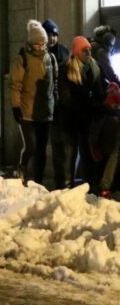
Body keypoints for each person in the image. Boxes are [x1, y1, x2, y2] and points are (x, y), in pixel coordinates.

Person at [9, 20, 57, 186]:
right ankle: (21, 170)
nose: (41, 47)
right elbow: (15, 85)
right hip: (27, 111)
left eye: (43, 43)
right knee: (31, 146)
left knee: (42, 149)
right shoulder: (22, 58)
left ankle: (38, 180)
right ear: (31, 43)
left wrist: (54, 102)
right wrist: (16, 107)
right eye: (37, 44)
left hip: (45, 111)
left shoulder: (50, 58)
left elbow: (54, 83)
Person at [58, 36, 104, 193]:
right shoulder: (66, 68)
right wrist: (85, 103)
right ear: (77, 52)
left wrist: (97, 105)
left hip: (86, 119)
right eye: (85, 50)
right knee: (69, 155)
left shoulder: (94, 67)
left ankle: (90, 187)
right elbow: (65, 96)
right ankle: (66, 187)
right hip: (71, 119)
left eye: (90, 50)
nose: (89, 53)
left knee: (87, 155)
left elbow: (99, 92)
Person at [43, 20, 72, 189]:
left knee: (64, 145)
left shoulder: (63, 52)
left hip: (62, 108)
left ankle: (65, 179)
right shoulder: (41, 53)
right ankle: (58, 179)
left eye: (54, 35)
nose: (52, 38)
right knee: (54, 145)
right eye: (49, 34)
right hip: (48, 107)